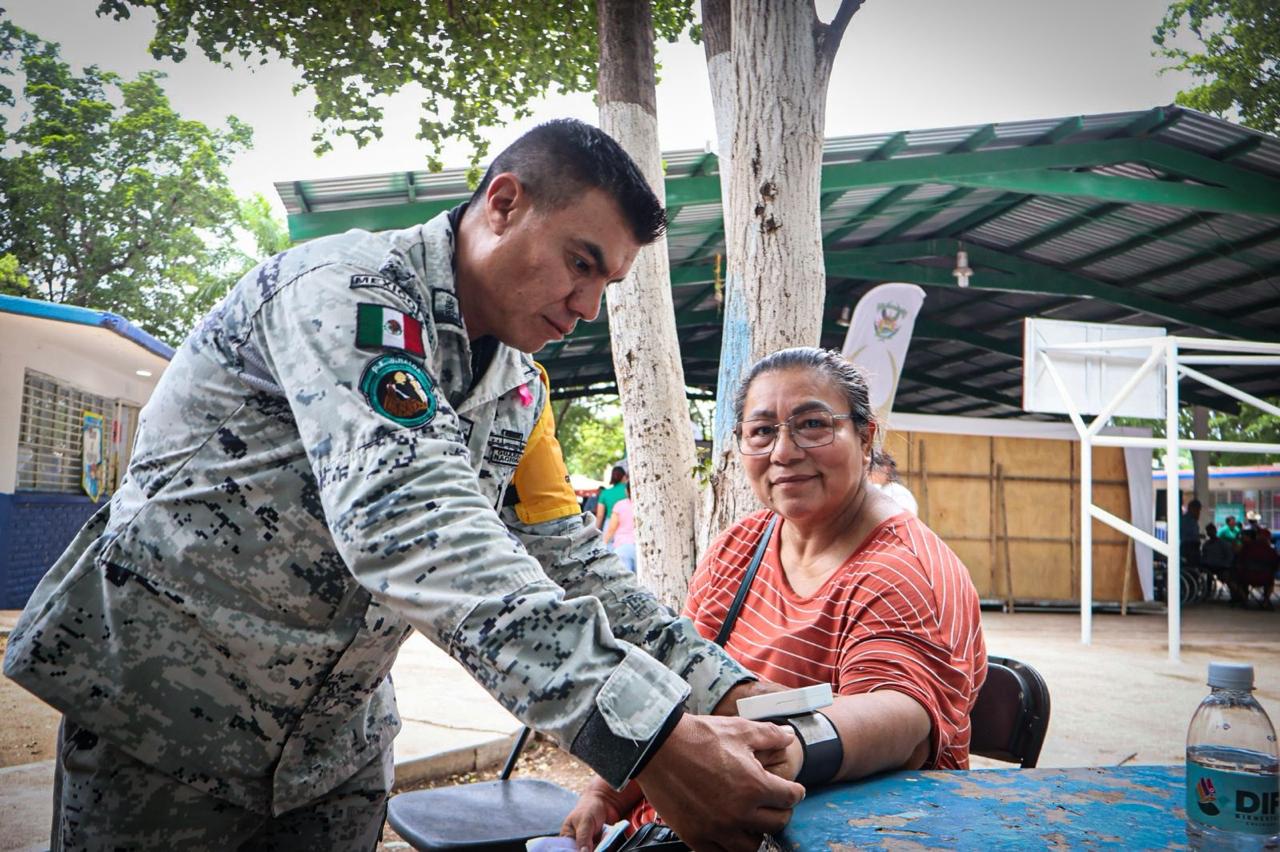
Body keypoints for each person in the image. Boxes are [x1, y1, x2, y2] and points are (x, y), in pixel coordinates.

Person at [3, 119, 803, 852]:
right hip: (167, 728)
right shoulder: (345, 289)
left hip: (331, 759)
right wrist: (648, 735)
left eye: (608, 283)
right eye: (581, 263)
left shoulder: (519, 390)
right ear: (503, 203)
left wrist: (730, 693)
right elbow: (412, 523)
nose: (589, 307)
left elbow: (570, 560)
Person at [562, 347, 987, 850]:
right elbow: (679, 686)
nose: (784, 452)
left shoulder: (903, 571)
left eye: (813, 425)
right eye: (762, 431)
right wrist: (607, 794)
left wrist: (789, 747)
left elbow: (903, 720)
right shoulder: (739, 547)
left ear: (865, 437)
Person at [868, 449, 918, 516]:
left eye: (870, 471)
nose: (869, 475)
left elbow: (903, 518)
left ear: (886, 469)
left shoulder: (900, 493)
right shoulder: (880, 489)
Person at [603, 483, 637, 572]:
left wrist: (603, 544)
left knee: (625, 578)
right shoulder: (643, 505)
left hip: (623, 547)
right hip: (640, 547)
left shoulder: (620, 505)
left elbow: (611, 529)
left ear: (626, 491)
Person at [595, 463, 629, 529]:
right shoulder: (629, 490)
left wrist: (596, 530)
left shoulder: (604, 493)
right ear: (624, 476)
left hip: (610, 524)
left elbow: (600, 516)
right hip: (628, 523)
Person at [1180, 499, 1203, 568]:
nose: (1198, 512)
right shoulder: (1185, 520)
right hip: (1188, 548)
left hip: (1194, 548)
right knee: (1190, 567)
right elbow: (1188, 534)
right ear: (1191, 508)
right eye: (1197, 510)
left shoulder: (1193, 520)